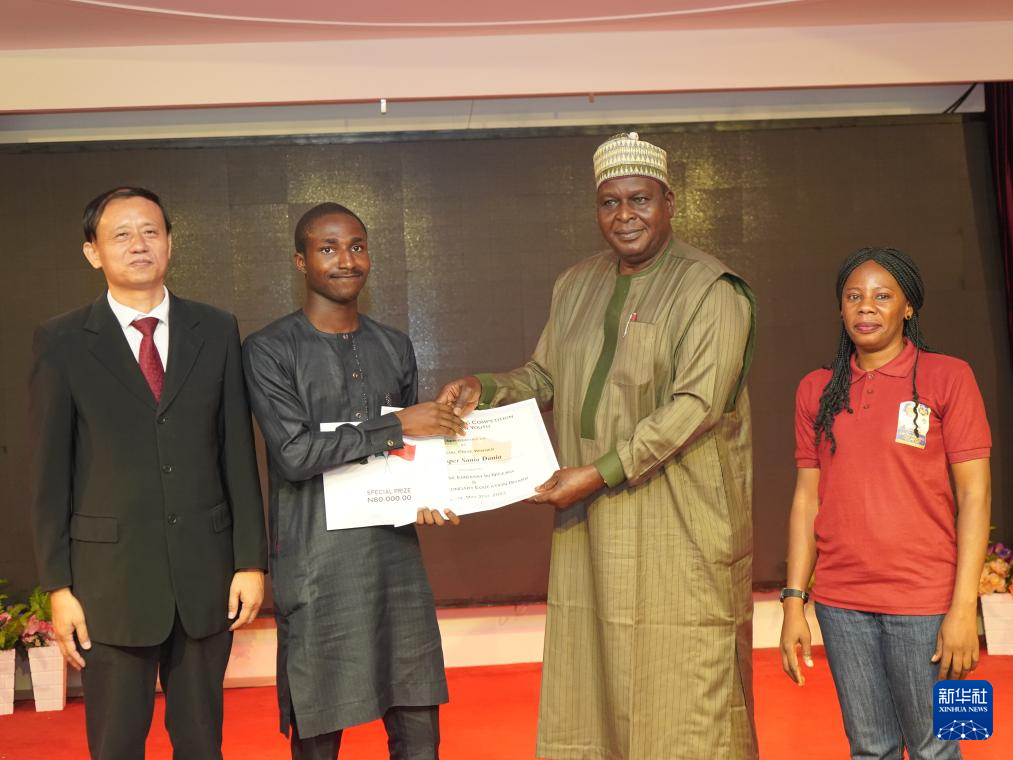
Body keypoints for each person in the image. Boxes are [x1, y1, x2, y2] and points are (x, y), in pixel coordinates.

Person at [437, 133, 758, 759]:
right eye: (610, 202)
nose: (624, 215)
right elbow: (546, 375)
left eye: (640, 199)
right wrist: (487, 387)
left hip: (680, 519)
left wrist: (601, 470)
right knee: (595, 676)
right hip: (593, 522)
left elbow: (696, 405)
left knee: (687, 681)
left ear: (669, 202)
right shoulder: (576, 284)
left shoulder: (711, 289)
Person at [29, 186, 268, 759]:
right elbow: (48, 475)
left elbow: (237, 452)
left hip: (205, 577)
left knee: (202, 744)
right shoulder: (61, 340)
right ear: (93, 252)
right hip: (109, 585)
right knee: (116, 746)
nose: (138, 244)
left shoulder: (215, 328)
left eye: (150, 232)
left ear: (170, 243)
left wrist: (250, 561)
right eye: (121, 235)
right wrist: (59, 588)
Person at [242, 202, 463, 760]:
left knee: (419, 728)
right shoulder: (269, 349)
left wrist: (427, 495)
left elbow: (412, 450)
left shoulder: (395, 345)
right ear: (301, 260)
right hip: (316, 564)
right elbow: (294, 454)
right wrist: (395, 426)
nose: (346, 260)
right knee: (319, 729)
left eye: (357, 246)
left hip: (394, 562)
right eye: (328, 248)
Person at [779, 247, 991, 759]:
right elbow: (806, 499)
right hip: (841, 604)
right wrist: (793, 602)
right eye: (854, 296)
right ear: (840, 308)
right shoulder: (816, 389)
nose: (866, 307)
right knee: (868, 749)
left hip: (929, 602)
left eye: (882, 296)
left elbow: (975, 495)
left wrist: (965, 609)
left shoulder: (949, 376)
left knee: (941, 748)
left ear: (908, 307)